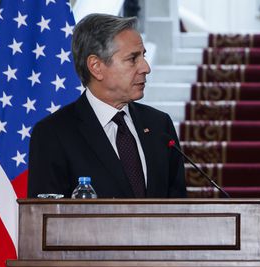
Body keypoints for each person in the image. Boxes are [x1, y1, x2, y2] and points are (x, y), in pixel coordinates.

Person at [27, 14, 186, 198]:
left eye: (143, 56)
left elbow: (178, 209)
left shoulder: (160, 125)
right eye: (133, 58)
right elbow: (45, 220)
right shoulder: (53, 134)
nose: (146, 67)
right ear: (96, 67)